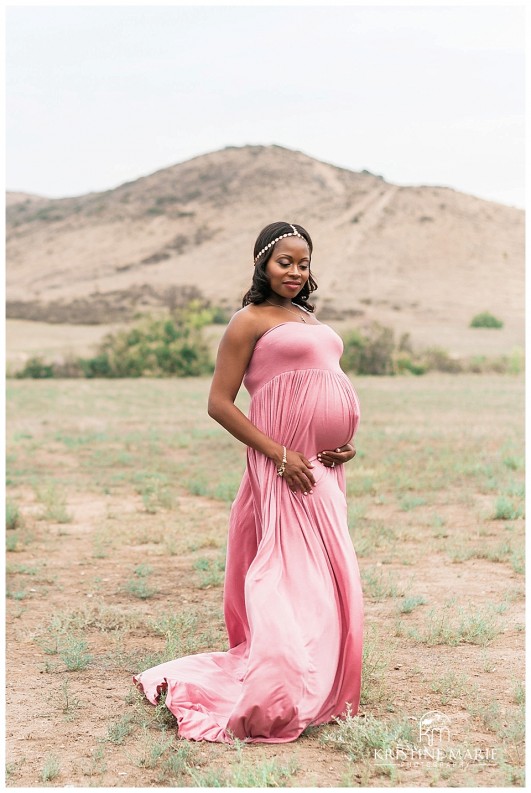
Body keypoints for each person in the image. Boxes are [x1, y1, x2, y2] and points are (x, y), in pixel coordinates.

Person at [133, 221, 364, 743]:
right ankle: (284, 684)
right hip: (284, 469)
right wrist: (280, 454)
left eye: (303, 263)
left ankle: (320, 676)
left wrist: (344, 439)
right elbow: (219, 402)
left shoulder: (306, 317)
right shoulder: (248, 321)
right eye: (285, 261)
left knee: (331, 575)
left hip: (323, 466)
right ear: (262, 263)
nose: (296, 271)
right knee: (287, 578)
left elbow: (325, 380)